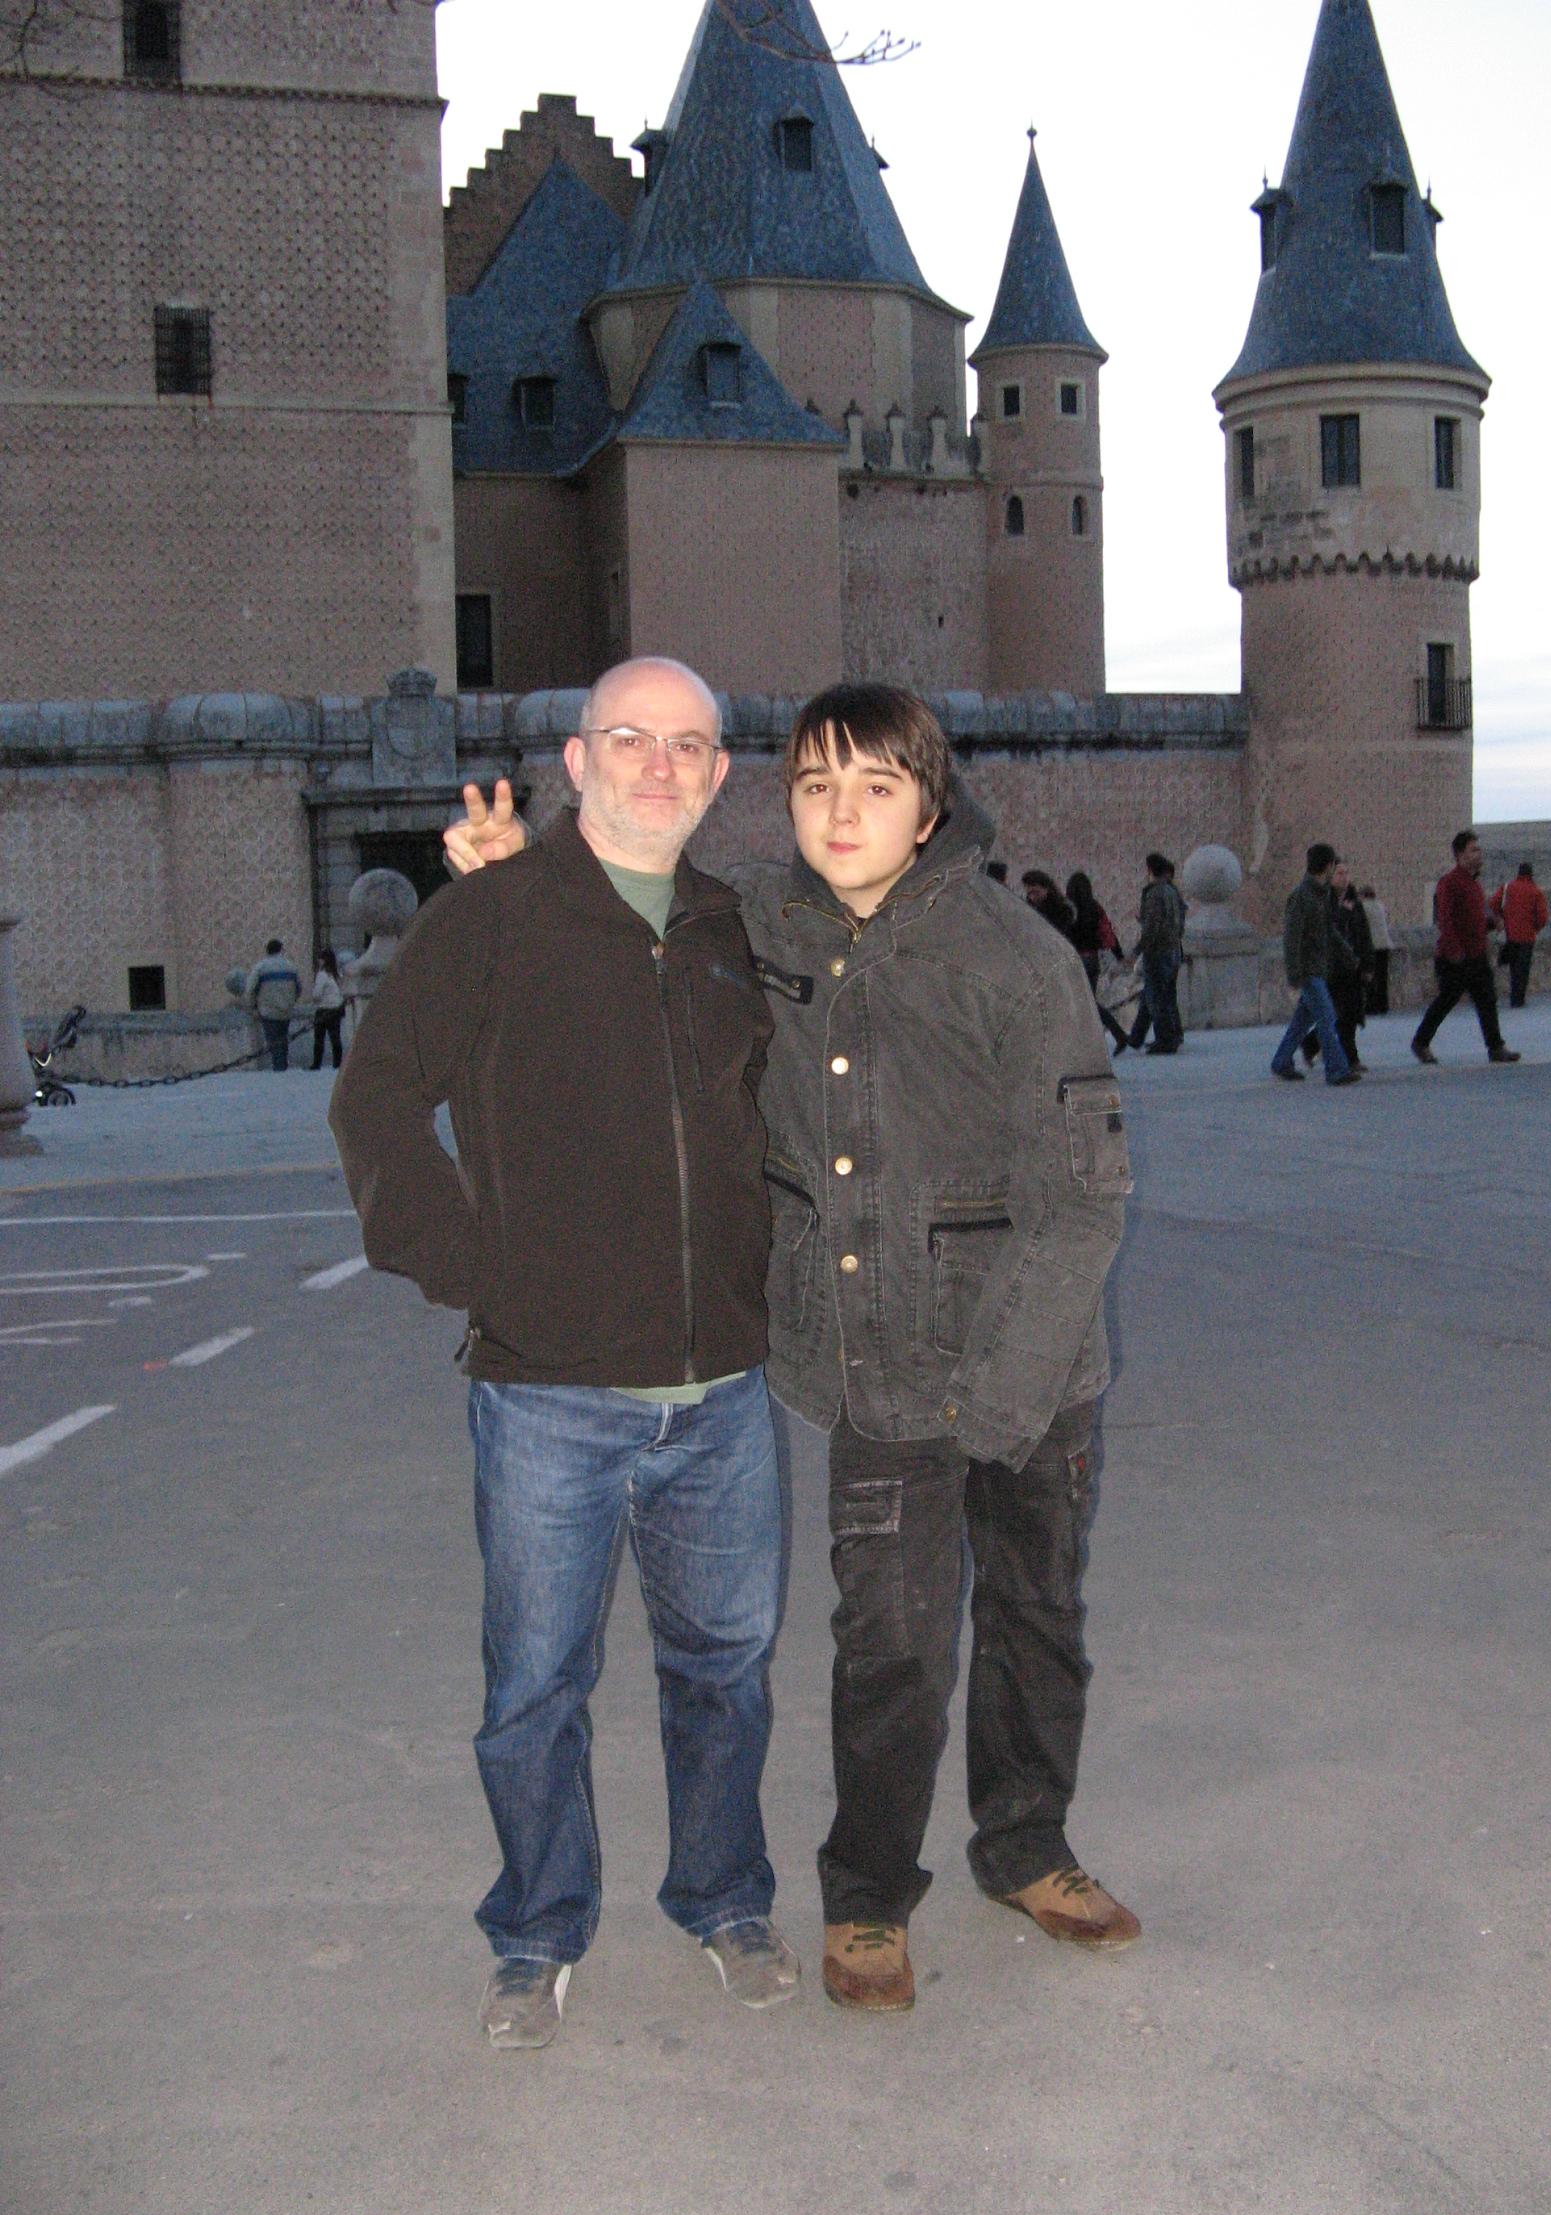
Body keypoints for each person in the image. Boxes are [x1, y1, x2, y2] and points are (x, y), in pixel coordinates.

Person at [449, 685, 1141, 2018]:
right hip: (874, 1369)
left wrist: (997, 1404)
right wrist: (521, 860)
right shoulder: (753, 918)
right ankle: (870, 1893)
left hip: (1033, 1368)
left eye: (877, 786)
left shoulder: (1017, 958)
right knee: (888, 1645)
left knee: (1035, 1622)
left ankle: (1025, 1845)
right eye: (817, 785)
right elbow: (626, 894)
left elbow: (1082, 1199)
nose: (842, 813)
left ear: (929, 808)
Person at [330, 657, 800, 2054]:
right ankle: (535, 1932)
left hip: (722, 1390)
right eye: (630, 738)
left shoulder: (735, 928)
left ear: (719, 775)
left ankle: (725, 1897)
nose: (660, 764)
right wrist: (469, 1264)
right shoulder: (492, 916)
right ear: (578, 761)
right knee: (533, 1688)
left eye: (689, 745)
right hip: (547, 1394)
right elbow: (376, 1101)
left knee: (726, 1671)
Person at [1412, 830, 1522, 1067]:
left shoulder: (1474, 884)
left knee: (1487, 999)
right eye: (1473, 850)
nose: (1478, 854)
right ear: (1460, 855)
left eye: (1478, 849)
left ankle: (1496, 1047)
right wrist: (1454, 951)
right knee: (1446, 1001)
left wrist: (1491, 924)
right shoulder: (1449, 883)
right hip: (1456, 957)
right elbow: (1445, 919)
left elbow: (1474, 920)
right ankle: (1420, 1042)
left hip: (1476, 955)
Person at [1271, 842, 1361, 1086]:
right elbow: (1292, 938)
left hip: (1318, 968)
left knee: (1302, 1021)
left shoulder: (1321, 895)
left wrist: (1348, 955)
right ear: (1329, 866)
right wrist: (1294, 974)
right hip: (1308, 970)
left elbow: (1328, 930)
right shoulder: (1302, 896)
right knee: (1327, 1018)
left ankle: (1281, 1061)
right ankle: (1337, 1069)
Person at [1301, 862, 1369, 1072]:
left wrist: (1368, 963)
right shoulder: (1324, 902)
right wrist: (1343, 915)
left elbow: (1364, 934)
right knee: (1338, 1015)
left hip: (1351, 967)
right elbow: (1327, 931)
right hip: (1331, 968)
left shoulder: (1354, 902)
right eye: (1339, 873)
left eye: (1346, 873)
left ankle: (1312, 1044)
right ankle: (1349, 1059)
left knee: (1347, 1015)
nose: (1344, 877)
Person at [1065, 869, 1134, 1055]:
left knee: (1082, 1003)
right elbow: (1107, 934)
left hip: (1075, 960)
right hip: (1093, 960)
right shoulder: (1095, 908)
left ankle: (1115, 1034)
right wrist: (1119, 956)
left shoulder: (1067, 909)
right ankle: (1110, 1036)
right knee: (1087, 1003)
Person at [1131, 854, 1185, 1055]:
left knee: (1157, 998)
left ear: (1150, 869)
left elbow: (1152, 927)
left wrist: (1137, 950)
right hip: (1172, 949)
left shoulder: (1154, 893)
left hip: (1157, 952)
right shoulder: (1172, 891)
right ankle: (1137, 1036)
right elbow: (1176, 921)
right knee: (1159, 995)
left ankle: (1166, 1040)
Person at [1489, 861, 1549, 1008]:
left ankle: (1514, 996)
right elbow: (1543, 917)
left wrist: (1501, 919)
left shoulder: (1507, 888)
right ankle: (1518, 999)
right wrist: (1535, 928)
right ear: (1531, 874)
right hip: (1527, 937)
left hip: (1510, 935)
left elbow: (1493, 904)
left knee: (1514, 967)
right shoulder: (1536, 892)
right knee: (1523, 969)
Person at [245, 938, 300, 1072]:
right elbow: (298, 988)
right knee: (283, 1039)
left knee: (273, 1041)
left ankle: (279, 1068)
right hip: (286, 1010)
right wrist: (291, 1001)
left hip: (268, 1010)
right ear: (281, 950)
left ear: (267, 951)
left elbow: (250, 989)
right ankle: (283, 1066)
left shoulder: (260, 967)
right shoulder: (291, 967)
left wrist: (253, 1007)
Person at [309, 948, 345, 1071]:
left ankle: (316, 1064)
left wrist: (314, 997)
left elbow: (316, 994)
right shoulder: (337, 975)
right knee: (335, 1038)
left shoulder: (322, 975)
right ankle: (337, 1063)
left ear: (324, 960)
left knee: (319, 1039)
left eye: (320, 958)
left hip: (323, 1010)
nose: (318, 961)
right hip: (336, 1010)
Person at [1360, 884, 1393, 1014]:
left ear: (1363, 895)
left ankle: (1372, 1006)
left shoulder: (1364, 907)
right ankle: (1383, 1005)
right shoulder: (1379, 905)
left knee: (1371, 976)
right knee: (1382, 976)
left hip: (1373, 945)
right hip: (1385, 944)